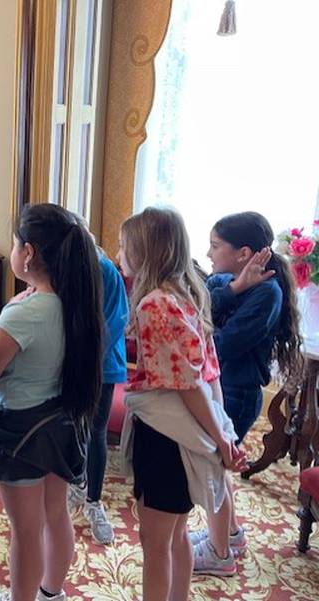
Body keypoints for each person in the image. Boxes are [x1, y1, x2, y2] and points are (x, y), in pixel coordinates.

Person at [117, 207, 246, 601]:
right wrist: (221, 431)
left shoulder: (153, 304)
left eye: (124, 245)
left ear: (145, 251)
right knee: (175, 536)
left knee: (155, 542)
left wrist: (220, 440)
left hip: (166, 434)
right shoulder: (186, 292)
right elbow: (209, 371)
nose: (119, 252)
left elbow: (189, 384)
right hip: (179, 431)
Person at [0, 204, 104, 601]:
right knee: (55, 515)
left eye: (16, 243)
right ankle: (52, 593)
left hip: (20, 429)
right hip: (62, 421)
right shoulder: (77, 300)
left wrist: (7, 315)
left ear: (28, 253)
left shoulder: (23, 313)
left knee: (25, 531)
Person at [187, 212, 303, 571]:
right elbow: (198, 305)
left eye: (215, 246)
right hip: (221, 388)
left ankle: (220, 553)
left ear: (244, 252)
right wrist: (234, 289)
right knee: (218, 467)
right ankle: (231, 534)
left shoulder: (268, 292)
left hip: (236, 394)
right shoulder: (230, 279)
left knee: (215, 470)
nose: (208, 253)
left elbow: (219, 345)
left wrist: (198, 334)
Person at [67, 249, 129, 545]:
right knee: (74, 426)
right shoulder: (67, 266)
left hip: (102, 367)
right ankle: (78, 483)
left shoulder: (105, 271)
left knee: (96, 430)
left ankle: (93, 500)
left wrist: (87, 358)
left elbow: (116, 321)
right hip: (74, 363)